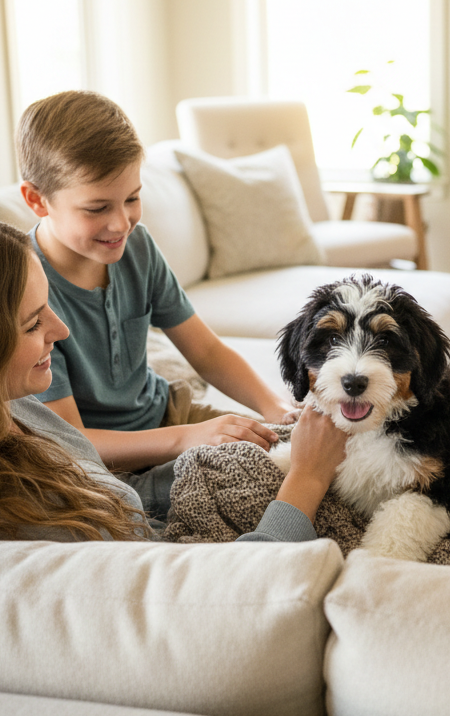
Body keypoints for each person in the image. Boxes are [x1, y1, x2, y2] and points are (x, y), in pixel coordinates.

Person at [0, 210, 345, 544]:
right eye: (32, 324)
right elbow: (244, 586)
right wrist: (305, 478)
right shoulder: (27, 510)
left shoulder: (13, 404)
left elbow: (118, 488)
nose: (61, 331)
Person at [15, 90, 296, 517]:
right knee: (263, 484)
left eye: (132, 198)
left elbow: (205, 350)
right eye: (96, 208)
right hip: (103, 469)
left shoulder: (138, 248)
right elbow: (70, 442)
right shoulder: (27, 288)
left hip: (168, 416)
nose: (120, 223)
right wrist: (187, 439)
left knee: (296, 452)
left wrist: (275, 407)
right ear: (37, 200)